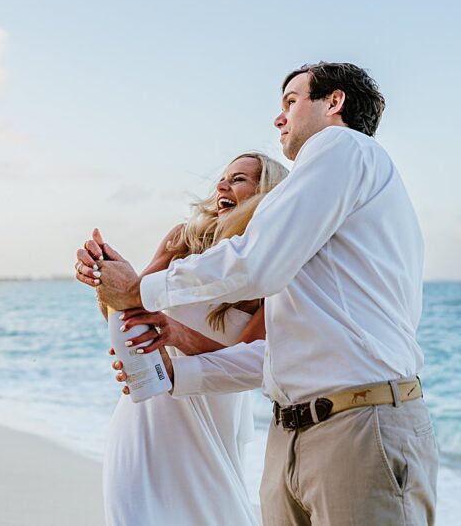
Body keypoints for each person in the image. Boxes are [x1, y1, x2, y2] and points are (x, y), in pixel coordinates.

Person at [77, 62, 439, 525]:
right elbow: (268, 354)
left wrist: (140, 289)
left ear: (334, 103)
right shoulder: (312, 227)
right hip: (293, 429)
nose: (278, 118)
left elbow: (257, 263)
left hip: (358, 422)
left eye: (291, 101)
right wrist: (174, 373)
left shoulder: (342, 144)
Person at [84, 152, 288, 526]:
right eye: (224, 178)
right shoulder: (183, 241)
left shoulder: (272, 268)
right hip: (144, 412)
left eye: (239, 179)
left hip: (210, 416)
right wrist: (105, 279)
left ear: (267, 193)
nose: (222, 185)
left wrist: (177, 334)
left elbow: (257, 359)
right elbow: (130, 306)